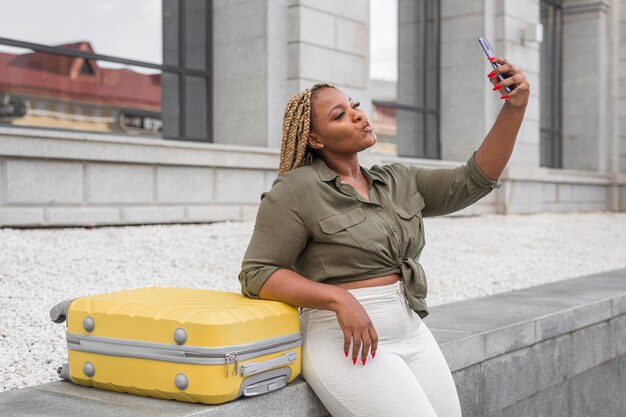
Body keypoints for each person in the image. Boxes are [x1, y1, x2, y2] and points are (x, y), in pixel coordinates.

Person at [238, 56, 529, 417]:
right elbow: (258, 273)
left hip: (410, 327)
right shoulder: (295, 191)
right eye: (339, 115)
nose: (359, 115)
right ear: (314, 138)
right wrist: (338, 300)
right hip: (345, 339)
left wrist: (514, 109)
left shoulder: (398, 180)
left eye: (355, 106)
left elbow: (473, 180)